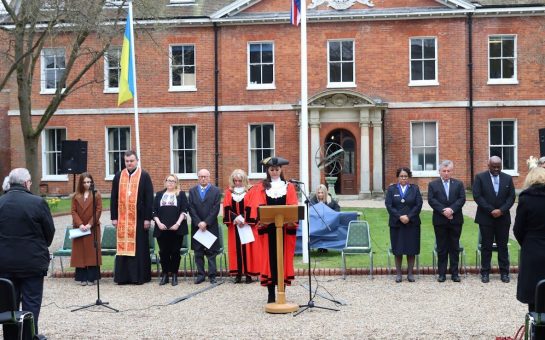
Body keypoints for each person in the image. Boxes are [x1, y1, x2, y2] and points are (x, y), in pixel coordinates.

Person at [0, 168, 55, 337]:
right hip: (32, 263)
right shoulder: (37, 203)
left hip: (5, 263)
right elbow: (49, 232)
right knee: (31, 305)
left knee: (9, 307)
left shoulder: (1, 203)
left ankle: (11, 337)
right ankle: (29, 336)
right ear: (26, 183)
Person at [247, 157, 299, 303]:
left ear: (281, 170)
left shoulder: (289, 187)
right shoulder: (261, 188)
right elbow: (256, 209)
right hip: (268, 231)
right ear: (268, 171)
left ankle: (282, 292)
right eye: (272, 169)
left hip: (284, 230)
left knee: (283, 260)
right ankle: (271, 294)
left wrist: (291, 221)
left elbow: (293, 208)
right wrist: (261, 220)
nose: (275, 172)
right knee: (269, 261)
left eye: (277, 169)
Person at [111, 150, 154, 285]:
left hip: (139, 219)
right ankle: (123, 277)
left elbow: (149, 199)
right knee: (123, 248)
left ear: (137, 161)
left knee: (139, 247)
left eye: (131, 161)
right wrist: (114, 217)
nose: (129, 163)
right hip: (123, 219)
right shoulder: (119, 176)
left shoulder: (144, 176)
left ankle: (139, 277)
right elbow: (113, 198)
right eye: (127, 161)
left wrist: (148, 218)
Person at [472, 156, 515, 283]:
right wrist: (491, 210)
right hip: (486, 218)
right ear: (488, 165)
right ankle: (485, 273)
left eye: (498, 166)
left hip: (503, 218)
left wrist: (501, 210)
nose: (496, 169)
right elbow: (477, 196)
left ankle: (504, 273)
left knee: (503, 246)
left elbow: (511, 197)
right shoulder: (480, 177)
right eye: (494, 166)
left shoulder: (507, 178)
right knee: (486, 246)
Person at [428, 160, 466, 283]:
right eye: (443, 171)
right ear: (439, 171)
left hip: (455, 220)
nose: (446, 173)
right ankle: (442, 274)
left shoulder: (459, 184)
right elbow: (431, 200)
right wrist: (444, 211)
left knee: (454, 247)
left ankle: (455, 274)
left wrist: (451, 210)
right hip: (440, 220)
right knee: (442, 247)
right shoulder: (433, 185)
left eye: (448, 171)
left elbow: (462, 199)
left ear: (452, 171)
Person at [514, 167, 545, 313]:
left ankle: (535, 329)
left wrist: (527, 243)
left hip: (532, 248)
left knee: (534, 294)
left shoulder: (526, 199)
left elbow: (518, 229)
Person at [385, 167, 423, 283]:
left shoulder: (415, 189)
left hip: (412, 223)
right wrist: (400, 216)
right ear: (398, 177)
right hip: (397, 223)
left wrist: (409, 216)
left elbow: (418, 204)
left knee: (411, 248)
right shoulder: (391, 189)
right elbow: (389, 205)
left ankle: (410, 274)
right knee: (398, 248)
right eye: (401, 176)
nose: (403, 178)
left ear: (409, 177)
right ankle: (398, 274)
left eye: (406, 176)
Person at [223, 169, 260, 284]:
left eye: (240, 180)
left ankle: (249, 274)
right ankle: (238, 274)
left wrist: (244, 219)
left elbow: (252, 206)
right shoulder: (229, 192)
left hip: (247, 225)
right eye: (235, 180)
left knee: (248, 248)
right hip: (234, 226)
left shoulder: (250, 191)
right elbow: (226, 207)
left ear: (244, 180)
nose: (238, 183)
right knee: (235, 249)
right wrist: (235, 218)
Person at [152, 174, 189, 286]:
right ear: (165, 182)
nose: (170, 183)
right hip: (161, 228)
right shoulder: (159, 194)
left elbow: (184, 210)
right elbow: (154, 211)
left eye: (173, 181)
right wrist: (158, 223)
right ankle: (165, 275)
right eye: (168, 180)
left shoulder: (181, 194)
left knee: (175, 252)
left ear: (176, 183)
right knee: (163, 252)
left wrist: (177, 224)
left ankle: (174, 274)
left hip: (176, 229)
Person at [188, 168, 221, 284]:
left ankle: (212, 275)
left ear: (209, 177)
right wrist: (199, 223)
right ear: (198, 178)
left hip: (210, 226)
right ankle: (200, 275)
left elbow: (216, 209)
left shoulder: (216, 191)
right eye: (201, 176)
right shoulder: (192, 191)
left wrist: (206, 222)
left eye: (205, 176)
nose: (203, 178)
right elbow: (191, 208)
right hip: (197, 227)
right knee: (198, 252)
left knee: (211, 253)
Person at [70, 172, 103, 286]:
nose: (87, 184)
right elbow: (73, 211)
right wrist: (80, 224)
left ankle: (92, 277)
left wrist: (90, 224)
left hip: (92, 228)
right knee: (80, 253)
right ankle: (82, 277)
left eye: (89, 182)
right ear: (81, 183)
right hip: (79, 228)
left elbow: (98, 210)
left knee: (91, 252)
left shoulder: (96, 194)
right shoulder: (76, 196)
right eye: (84, 182)